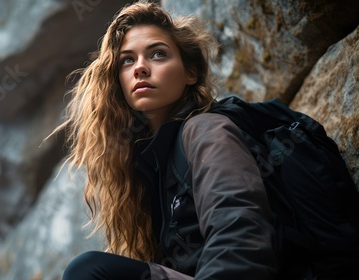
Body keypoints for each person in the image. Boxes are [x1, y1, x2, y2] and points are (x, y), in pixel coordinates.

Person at [54, 1, 278, 279]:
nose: (140, 68)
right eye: (127, 60)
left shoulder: (206, 131)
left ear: (190, 73)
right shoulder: (149, 165)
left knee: (88, 271)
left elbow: (240, 232)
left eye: (157, 54)